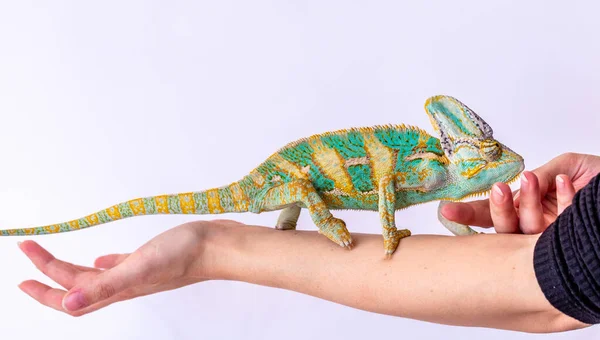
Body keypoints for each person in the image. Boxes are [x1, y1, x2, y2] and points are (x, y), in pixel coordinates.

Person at [16, 153, 600, 333]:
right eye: (490, 158)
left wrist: (215, 248)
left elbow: (547, 289)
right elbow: (547, 286)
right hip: (293, 185)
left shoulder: (442, 179)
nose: (505, 166)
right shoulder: (426, 169)